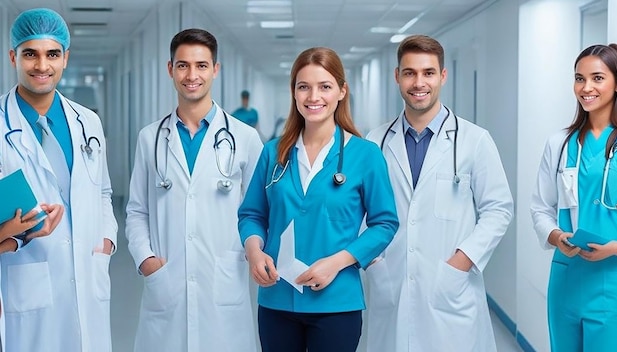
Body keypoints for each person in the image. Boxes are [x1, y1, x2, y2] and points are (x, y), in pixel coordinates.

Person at [238, 46, 399, 352]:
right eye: (304, 87)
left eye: (325, 87)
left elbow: (385, 223)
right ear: (294, 93)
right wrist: (254, 251)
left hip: (337, 301)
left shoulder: (366, 155)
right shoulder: (273, 152)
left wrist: (338, 263)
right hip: (277, 298)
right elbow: (252, 215)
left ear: (341, 91)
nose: (314, 97)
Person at [365, 34, 514, 352]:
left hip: (451, 287)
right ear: (397, 77)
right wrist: (373, 259)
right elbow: (361, 208)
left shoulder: (475, 140)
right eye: (410, 72)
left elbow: (498, 208)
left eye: (428, 72)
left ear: (443, 76)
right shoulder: (375, 142)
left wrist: (464, 259)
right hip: (390, 284)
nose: (419, 82)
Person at [125, 28, 263, 352]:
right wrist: (145, 258)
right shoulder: (150, 138)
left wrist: (251, 251)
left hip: (223, 282)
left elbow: (258, 212)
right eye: (183, 65)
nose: (192, 75)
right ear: (170, 69)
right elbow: (136, 210)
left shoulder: (244, 138)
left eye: (201, 66)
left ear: (216, 70)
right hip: (165, 284)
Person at [0, 7, 117, 352]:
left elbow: (103, 191)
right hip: (24, 278)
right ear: (13, 57)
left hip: (87, 273)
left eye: (52, 54)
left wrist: (107, 239)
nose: (41, 65)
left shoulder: (88, 122)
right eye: (30, 54)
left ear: (65, 58)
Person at [530, 43, 617, 351]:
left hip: (616, 279)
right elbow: (541, 208)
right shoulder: (559, 143)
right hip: (566, 277)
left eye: (597, 78)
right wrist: (557, 236)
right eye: (579, 78)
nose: (586, 88)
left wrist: (616, 248)